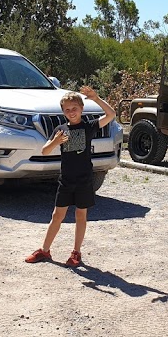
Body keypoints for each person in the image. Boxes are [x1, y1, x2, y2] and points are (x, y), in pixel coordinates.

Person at [25, 86, 116, 267]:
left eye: (74, 108)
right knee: (57, 215)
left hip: (84, 180)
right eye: (67, 110)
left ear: (81, 108)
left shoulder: (88, 126)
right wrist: (56, 141)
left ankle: (76, 253)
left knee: (80, 215)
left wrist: (96, 99)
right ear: (63, 112)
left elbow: (111, 114)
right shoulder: (61, 129)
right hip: (66, 180)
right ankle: (45, 250)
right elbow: (44, 151)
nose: (71, 112)